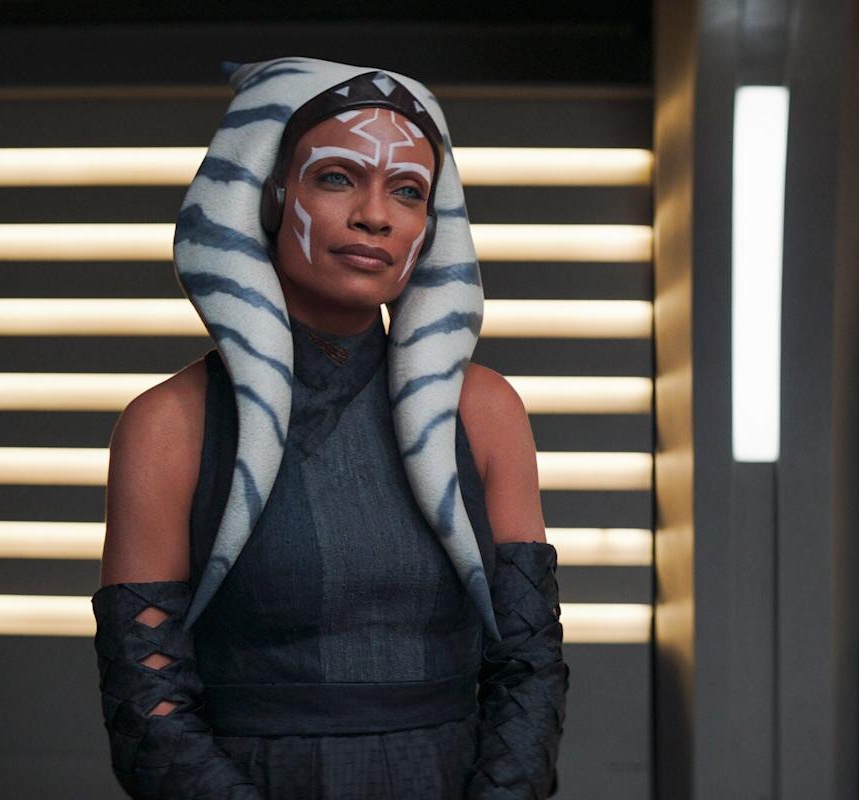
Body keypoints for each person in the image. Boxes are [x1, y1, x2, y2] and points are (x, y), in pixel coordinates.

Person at [92, 57, 568, 799]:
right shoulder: (170, 425)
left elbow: (529, 670)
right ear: (270, 195)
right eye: (338, 177)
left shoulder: (484, 410)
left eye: (408, 191)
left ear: (430, 225)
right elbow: (148, 707)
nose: (376, 215)